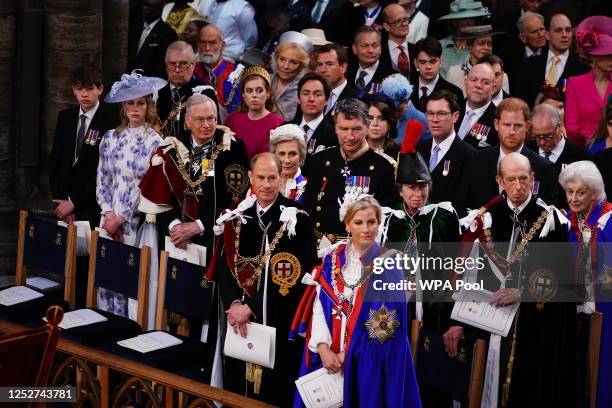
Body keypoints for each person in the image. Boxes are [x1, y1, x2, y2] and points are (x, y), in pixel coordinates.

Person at [459, 152, 577, 408]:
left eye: (524, 178)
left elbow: (560, 278)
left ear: (533, 179)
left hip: (531, 323)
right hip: (484, 319)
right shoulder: (488, 216)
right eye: (511, 179)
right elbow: (470, 272)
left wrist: (522, 292)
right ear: (500, 181)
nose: (518, 186)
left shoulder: (550, 220)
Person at [291, 195, 421, 408]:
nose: (366, 229)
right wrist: (323, 348)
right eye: (358, 222)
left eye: (371, 222)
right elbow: (320, 307)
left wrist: (345, 355)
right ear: (347, 224)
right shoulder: (333, 258)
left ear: (379, 224)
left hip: (369, 360)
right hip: (328, 357)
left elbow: (385, 327)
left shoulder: (389, 264)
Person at [215, 152, 317, 406]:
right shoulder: (238, 216)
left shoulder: (297, 221)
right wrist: (235, 306)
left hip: (280, 320)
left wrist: (251, 306)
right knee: (238, 388)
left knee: (274, 391)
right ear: (250, 177)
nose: (266, 184)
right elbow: (225, 267)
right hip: (238, 318)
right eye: (260, 177)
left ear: (282, 178)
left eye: (273, 177)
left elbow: (295, 277)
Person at [381, 125, 461, 408]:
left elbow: (457, 270)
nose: (419, 193)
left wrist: (455, 320)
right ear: (400, 190)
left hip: (435, 314)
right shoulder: (387, 220)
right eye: (412, 187)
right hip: (393, 312)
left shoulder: (443, 217)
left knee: (431, 382)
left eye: (423, 186)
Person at [95, 70, 166, 316]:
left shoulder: (154, 142)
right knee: (107, 277)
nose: (135, 108)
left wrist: (122, 217)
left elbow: (147, 185)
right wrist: (107, 213)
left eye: (140, 103)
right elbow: (103, 178)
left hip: (134, 222)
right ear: (123, 107)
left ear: (148, 106)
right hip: (108, 219)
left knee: (130, 278)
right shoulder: (110, 138)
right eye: (130, 103)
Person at [300, 98, 400, 245]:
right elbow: (307, 209)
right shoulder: (319, 160)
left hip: (358, 250)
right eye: (344, 129)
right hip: (318, 248)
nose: (350, 136)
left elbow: (387, 220)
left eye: (356, 129)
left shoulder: (383, 167)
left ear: (367, 127)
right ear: (335, 128)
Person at [559, 161, 612, 408]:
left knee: (600, 371)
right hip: (574, 310)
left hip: (602, 309)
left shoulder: (607, 221)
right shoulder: (566, 222)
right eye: (570, 192)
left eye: (581, 192)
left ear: (594, 193)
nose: (574, 198)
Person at [456, 98, 558, 216]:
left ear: (528, 126)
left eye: (518, 126)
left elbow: (548, 213)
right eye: (507, 125)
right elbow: (460, 202)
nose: (511, 131)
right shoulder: (476, 160)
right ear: (496, 124)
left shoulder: (544, 168)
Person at [50, 65, 118, 229]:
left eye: (89, 89)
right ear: (74, 89)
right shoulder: (65, 117)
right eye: (79, 89)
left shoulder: (111, 121)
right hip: (64, 207)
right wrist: (63, 203)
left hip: (93, 206)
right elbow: (56, 162)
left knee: (89, 253)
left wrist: (74, 202)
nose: (84, 94)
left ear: (100, 89)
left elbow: (107, 171)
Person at [514, 13, 590, 108]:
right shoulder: (529, 65)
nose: (564, 35)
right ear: (547, 35)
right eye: (558, 30)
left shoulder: (584, 70)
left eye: (568, 30)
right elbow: (518, 103)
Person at [416, 90, 475, 207]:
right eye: (430, 113)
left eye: (441, 113)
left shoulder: (469, 155)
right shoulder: (418, 149)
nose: (435, 119)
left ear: (455, 116)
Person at [527, 103, 592, 209]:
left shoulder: (580, 158)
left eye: (547, 136)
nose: (542, 142)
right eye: (537, 136)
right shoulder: (526, 154)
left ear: (559, 126)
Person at [564, 16, 612, 148]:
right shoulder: (575, 84)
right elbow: (572, 128)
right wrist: (594, 145)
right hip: (586, 150)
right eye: (606, 55)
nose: (611, 59)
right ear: (593, 56)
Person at [156, 40, 217, 141]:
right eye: (172, 64)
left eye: (183, 64)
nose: (177, 70)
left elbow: (211, 132)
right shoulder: (157, 93)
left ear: (193, 65)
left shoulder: (204, 92)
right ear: (166, 65)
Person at [224, 66, 284, 159]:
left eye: (259, 91)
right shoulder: (233, 120)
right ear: (243, 95)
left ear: (267, 93)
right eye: (249, 91)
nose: (254, 95)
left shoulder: (278, 125)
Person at [194, 24, 242, 120]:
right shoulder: (191, 72)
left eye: (212, 43)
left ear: (223, 46)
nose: (207, 48)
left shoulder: (238, 74)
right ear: (198, 45)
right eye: (203, 43)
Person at [445, 25, 508, 97]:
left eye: (489, 44)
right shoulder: (453, 72)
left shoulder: (501, 76)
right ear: (470, 46)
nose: (486, 47)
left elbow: (503, 103)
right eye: (481, 43)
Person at [409, 36, 464, 113]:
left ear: (440, 62)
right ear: (415, 63)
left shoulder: (454, 92)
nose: (428, 67)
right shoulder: (406, 89)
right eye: (423, 62)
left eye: (433, 61)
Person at [437, 1, 491, 77]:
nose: (469, 23)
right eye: (464, 19)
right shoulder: (439, 46)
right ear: (454, 22)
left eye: (472, 19)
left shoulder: (482, 47)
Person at [128, 0, 178, 79]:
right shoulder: (135, 27)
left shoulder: (167, 33)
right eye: (144, 5)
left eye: (149, 6)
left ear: (159, 9)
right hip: (128, 80)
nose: (144, 8)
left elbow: (162, 68)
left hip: (149, 84)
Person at [291, 72, 337, 155]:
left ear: (327, 100)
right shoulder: (286, 128)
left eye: (317, 94)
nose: (311, 99)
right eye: (306, 93)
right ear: (298, 98)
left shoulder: (334, 134)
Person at [271, 31, 313, 120]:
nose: (285, 66)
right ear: (276, 58)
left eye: (293, 62)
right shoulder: (264, 80)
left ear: (302, 65)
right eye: (282, 59)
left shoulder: (304, 91)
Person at [378, 73, 430, 145]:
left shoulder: (422, 121)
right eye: (389, 106)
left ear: (407, 100)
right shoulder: (379, 114)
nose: (392, 111)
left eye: (396, 109)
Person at [455, 62, 498, 148]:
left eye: (485, 82)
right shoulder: (451, 109)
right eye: (474, 80)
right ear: (465, 83)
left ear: (493, 88)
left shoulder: (498, 119)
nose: (478, 85)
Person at [498, 11, 547, 86]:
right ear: (523, 38)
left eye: (542, 29)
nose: (541, 35)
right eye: (534, 32)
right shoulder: (509, 56)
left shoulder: (552, 51)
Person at [347, 26, 396, 97]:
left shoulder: (393, 78)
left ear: (381, 48)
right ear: (354, 49)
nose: (371, 50)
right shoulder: (346, 74)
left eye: (375, 45)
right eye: (365, 46)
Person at [315, 43, 359, 118]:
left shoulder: (356, 98)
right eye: (320, 64)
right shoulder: (311, 94)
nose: (323, 70)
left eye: (329, 64)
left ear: (343, 67)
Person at [269, 124, 308, 201]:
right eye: (282, 154)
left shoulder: (309, 187)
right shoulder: (262, 184)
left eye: (293, 154)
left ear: (301, 156)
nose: (287, 160)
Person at [380, 3, 415, 78]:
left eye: (405, 19)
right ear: (387, 26)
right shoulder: (378, 51)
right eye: (398, 21)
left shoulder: (417, 50)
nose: (404, 24)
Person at [365, 93, 400, 158]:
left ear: (389, 123)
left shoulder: (400, 154)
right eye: (370, 118)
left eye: (381, 119)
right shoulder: (352, 150)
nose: (375, 124)